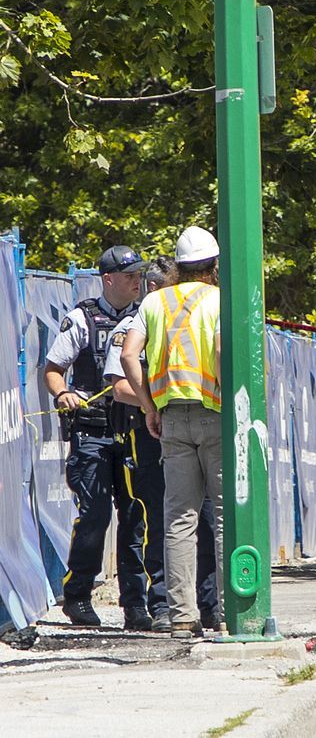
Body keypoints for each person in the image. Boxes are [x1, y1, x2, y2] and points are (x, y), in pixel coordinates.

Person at [102, 256, 222, 634]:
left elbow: (126, 356)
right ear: (213, 266)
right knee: (222, 519)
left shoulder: (155, 302)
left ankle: (181, 615)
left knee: (178, 520)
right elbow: (220, 353)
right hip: (214, 413)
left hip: (170, 418)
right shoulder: (219, 299)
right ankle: (228, 612)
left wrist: (151, 405)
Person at [43, 245, 152, 629]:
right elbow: (53, 369)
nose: (137, 282)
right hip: (92, 431)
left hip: (134, 431)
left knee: (136, 517)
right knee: (94, 516)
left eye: (140, 275)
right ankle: (77, 596)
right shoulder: (82, 318)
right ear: (108, 279)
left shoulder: (147, 316)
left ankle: (136, 605)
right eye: (129, 276)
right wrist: (63, 393)